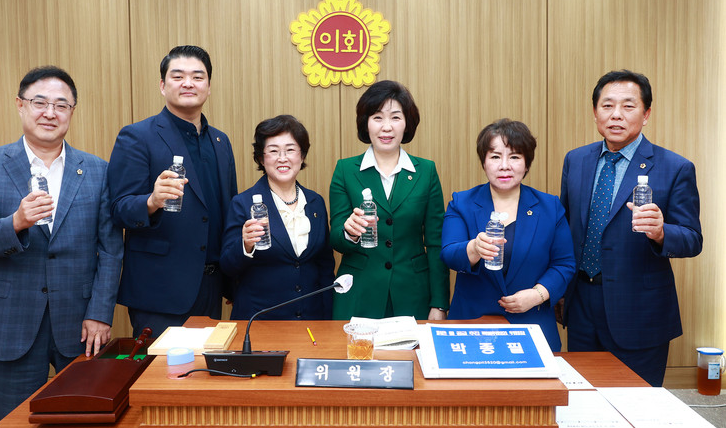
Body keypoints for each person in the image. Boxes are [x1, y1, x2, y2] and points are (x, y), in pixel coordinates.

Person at [0, 66, 123, 426]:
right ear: (20, 105)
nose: (50, 113)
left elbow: (111, 249)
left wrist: (100, 312)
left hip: (80, 322)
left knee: (84, 419)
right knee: (10, 419)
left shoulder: (97, 170)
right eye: (40, 102)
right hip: (9, 320)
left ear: (72, 111)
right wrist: (15, 223)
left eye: (61, 105)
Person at [560, 69, 703, 386]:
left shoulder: (675, 167)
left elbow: (693, 239)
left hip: (639, 311)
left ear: (646, 114)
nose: (616, 115)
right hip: (581, 305)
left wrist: (661, 233)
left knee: (637, 403)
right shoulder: (576, 160)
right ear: (595, 112)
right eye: (607, 105)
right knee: (583, 404)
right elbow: (565, 228)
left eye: (628, 106)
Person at [107, 45, 238, 337]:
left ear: (209, 87)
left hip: (211, 285)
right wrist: (151, 201)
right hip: (160, 290)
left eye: (198, 77)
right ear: (162, 86)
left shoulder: (220, 142)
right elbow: (118, 209)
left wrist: (232, 280)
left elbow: (227, 211)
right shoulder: (137, 136)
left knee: (205, 364)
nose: (188, 83)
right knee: (162, 367)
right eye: (178, 76)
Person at [440, 119, 575, 351]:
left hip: (531, 323)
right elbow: (449, 254)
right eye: (495, 157)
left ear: (527, 163)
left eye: (514, 157)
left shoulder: (549, 207)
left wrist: (537, 295)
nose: (504, 166)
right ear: (484, 162)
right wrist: (474, 248)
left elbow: (564, 264)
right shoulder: (462, 203)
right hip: (471, 324)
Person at [329, 80, 450, 320]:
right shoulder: (345, 170)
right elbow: (335, 238)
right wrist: (349, 232)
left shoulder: (426, 171)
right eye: (377, 118)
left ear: (407, 123)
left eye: (395, 117)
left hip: (412, 293)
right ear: (366, 123)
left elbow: (436, 242)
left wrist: (439, 303)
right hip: (359, 291)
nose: (386, 127)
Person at [220, 115, 335, 319]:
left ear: (302, 156)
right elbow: (227, 266)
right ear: (261, 158)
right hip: (260, 319)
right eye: (273, 151)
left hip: (312, 319)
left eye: (290, 150)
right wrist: (245, 245)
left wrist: (328, 317)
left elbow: (325, 265)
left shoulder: (315, 202)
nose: (282, 158)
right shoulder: (243, 203)